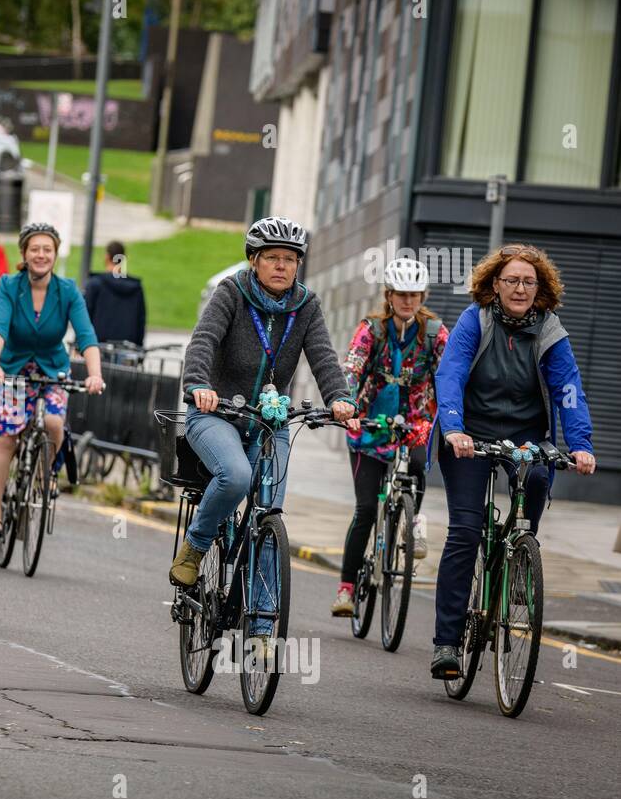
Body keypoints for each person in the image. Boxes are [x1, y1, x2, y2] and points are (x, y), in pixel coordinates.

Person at [428, 244, 595, 680]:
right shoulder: (475, 320)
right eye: (511, 280)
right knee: (464, 531)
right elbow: (451, 374)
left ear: (539, 288)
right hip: (469, 435)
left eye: (528, 281)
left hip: (524, 434)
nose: (520, 288)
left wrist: (580, 444)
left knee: (539, 475)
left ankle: (520, 553)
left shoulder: (549, 330)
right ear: (494, 285)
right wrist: (453, 428)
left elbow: (568, 389)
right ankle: (446, 642)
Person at [169, 216, 357, 590]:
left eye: (290, 259)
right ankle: (197, 543)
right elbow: (203, 341)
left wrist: (339, 398)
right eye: (272, 257)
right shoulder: (231, 293)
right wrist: (198, 386)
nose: (282, 266)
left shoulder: (306, 305)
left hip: (270, 423)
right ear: (254, 260)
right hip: (216, 412)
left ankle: (260, 626)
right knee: (236, 476)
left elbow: (322, 355)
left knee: (268, 514)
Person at [334, 257, 449, 617]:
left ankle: (414, 523)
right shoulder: (372, 330)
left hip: (416, 422)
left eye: (415, 295)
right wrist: (348, 408)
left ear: (423, 296)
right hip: (370, 425)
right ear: (389, 295)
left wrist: (452, 418)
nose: (408, 301)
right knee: (366, 509)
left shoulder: (434, 333)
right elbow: (352, 368)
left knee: (416, 466)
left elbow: (449, 376)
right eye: (401, 294)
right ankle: (346, 589)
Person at [0, 222, 105, 539]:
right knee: (7, 437)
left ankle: (46, 475)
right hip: (11, 370)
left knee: (53, 422)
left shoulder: (67, 291)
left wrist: (95, 374)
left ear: (55, 253)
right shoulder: (10, 285)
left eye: (47, 249)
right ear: (24, 253)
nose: (41, 255)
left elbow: (87, 335)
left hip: (51, 372)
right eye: (34, 249)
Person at [84, 240, 146, 347]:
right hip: (127, 349)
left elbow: (84, 316)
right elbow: (141, 322)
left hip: (97, 347)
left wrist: (78, 343)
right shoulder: (136, 288)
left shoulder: (95, 284)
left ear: (107, 257)